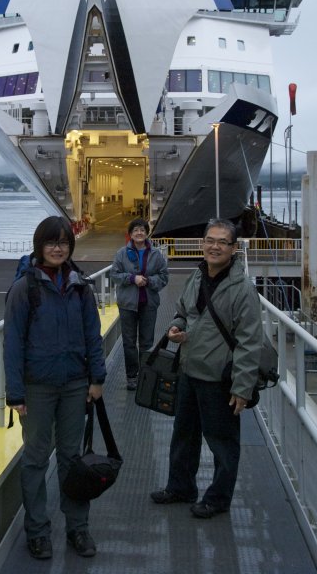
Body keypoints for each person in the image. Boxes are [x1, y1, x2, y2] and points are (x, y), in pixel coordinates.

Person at [4, 216, 106, 560]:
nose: (58, 248)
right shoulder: (25, 288)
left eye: (63, 242)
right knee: (34, 459)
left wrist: (97, 378)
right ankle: (38, 531)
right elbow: (13, 343)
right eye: (51, 242)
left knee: (72, 459)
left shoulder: (81, 286)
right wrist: (15, 393)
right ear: (39, 246)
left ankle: (78, 528)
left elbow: (93, 334)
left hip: (75, 384)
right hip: (37, 387)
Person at [151, 218, 263, 518]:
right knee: (183, 435)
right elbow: (184, 312)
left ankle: (218, 498)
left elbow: (250, 342)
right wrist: (176, 328)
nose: (214, 246)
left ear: (233, 248)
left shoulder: (242, 290)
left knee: (222, 443)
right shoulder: (196, 278)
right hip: (189, 370)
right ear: (202, 244)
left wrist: (242, 387)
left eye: (222, 242)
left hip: (219, 378)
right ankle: (181, 487)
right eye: (210, 240)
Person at [110, 217, 169, 390]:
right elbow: (114, 274)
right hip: (128, 304)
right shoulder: (121, 253)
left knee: (146, 342)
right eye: (135, 230)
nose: (139, 233)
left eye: (142, 230)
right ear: (130, 234)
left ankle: (145, 374)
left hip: (148, 304)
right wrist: (131, 278)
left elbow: (164, 276)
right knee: (129, 342)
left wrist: (149, 281)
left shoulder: (156, 254)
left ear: (146, 232)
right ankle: (131, 376)